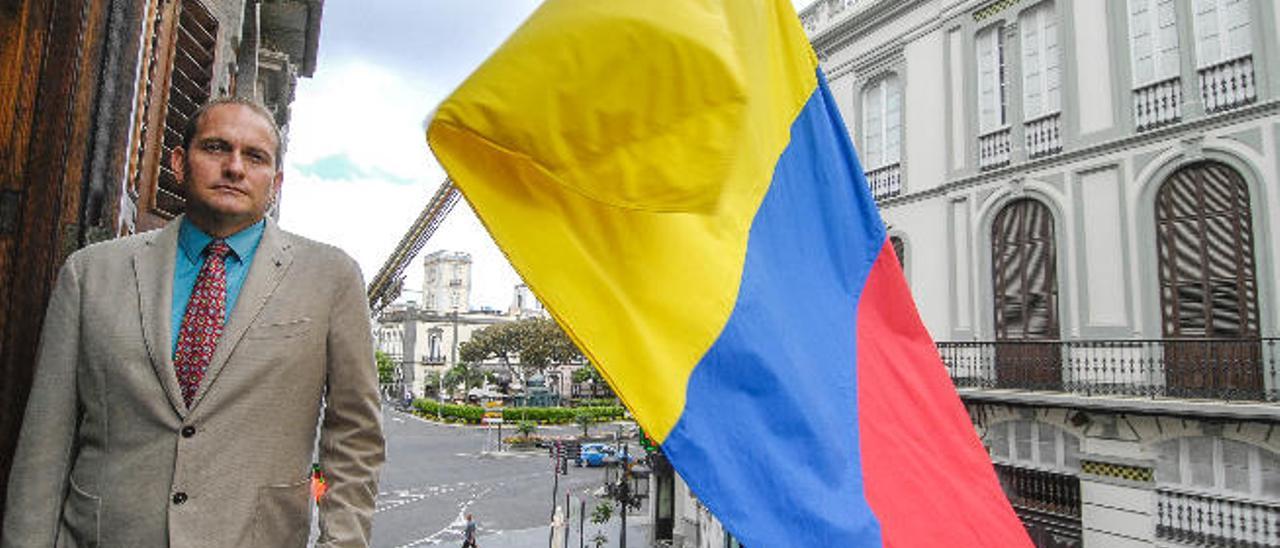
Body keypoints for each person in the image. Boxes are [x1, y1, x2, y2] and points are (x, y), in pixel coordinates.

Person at [2, 97, 386, 547]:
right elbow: (44, 443)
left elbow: (355, 436)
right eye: (217, 148)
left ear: (276, 182)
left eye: (255, 156)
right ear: (179, 163)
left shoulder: (331, 278)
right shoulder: (90, 275)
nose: (235, 168)